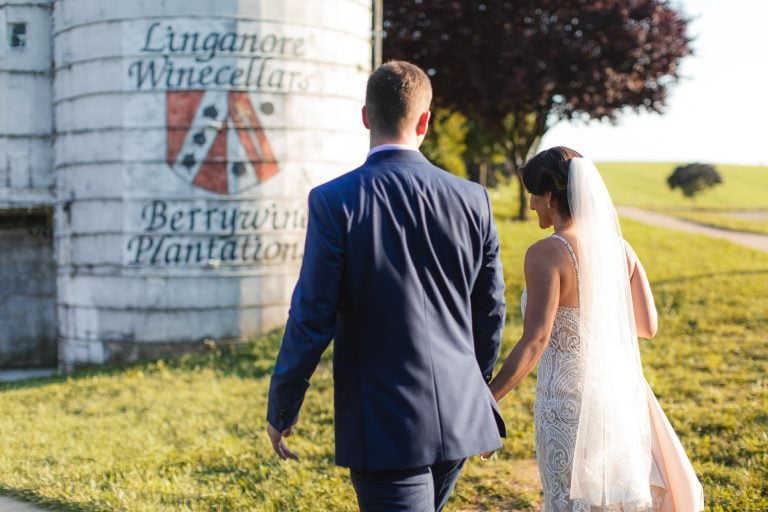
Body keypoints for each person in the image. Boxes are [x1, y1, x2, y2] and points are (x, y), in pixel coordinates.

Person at [266, 60, 507, 512]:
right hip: (460, 413)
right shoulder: (474, 199)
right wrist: (475, 392)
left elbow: (311, 316)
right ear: (425, 121)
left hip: (384, 422)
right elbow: (491, 309)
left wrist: (283, 405)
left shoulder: (334, 201)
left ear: (364, 117)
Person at [489, 147, 704, 511]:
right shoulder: (620, 250)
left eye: (533, 195)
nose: (531, 206)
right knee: (612, 498)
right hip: (618, 396)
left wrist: (488, 399)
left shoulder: (545, 253)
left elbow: (536, 339)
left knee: (569, 498)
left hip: (566, 403)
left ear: (551, 196)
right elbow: (647, 326)